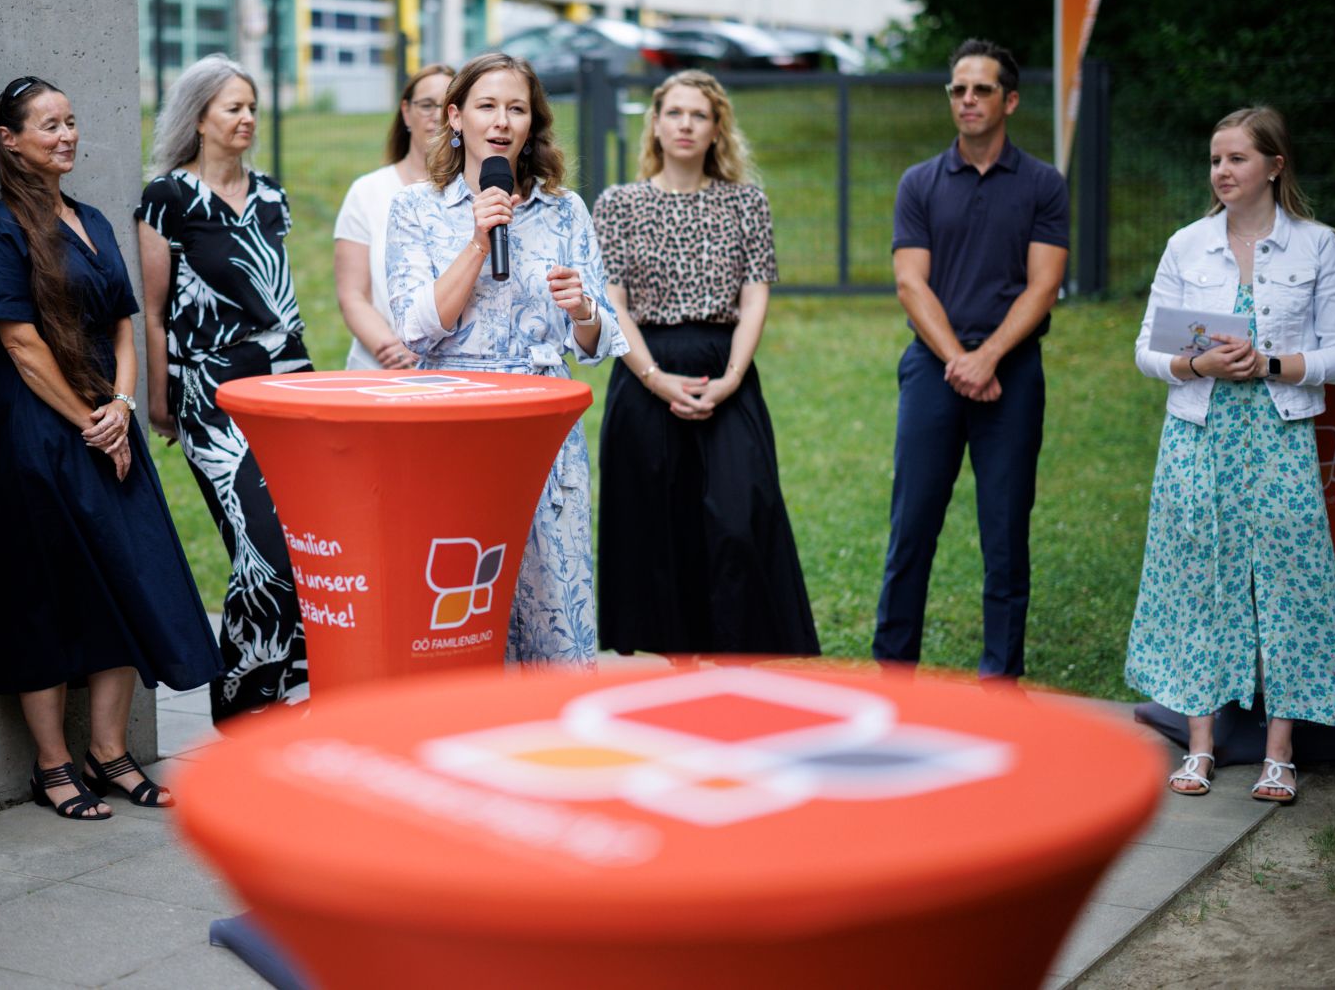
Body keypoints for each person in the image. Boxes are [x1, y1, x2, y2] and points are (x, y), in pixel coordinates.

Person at [0, 76, 220, 820]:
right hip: (36, 429)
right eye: (49, 124)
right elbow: (19, 343)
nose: (67, 135)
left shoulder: (97, 219)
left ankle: (109, 752)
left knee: (126, 579)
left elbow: (122, 325)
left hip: (110, 419)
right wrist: (88, 416)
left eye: (72, 121)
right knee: (40, 593)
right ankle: (53, 764)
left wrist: (124, 406)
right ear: (10, 140)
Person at [1126, 106, 1335, 803]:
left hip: (1280, 433)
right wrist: (1195, 366)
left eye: (1236, 159)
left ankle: (1279, 753)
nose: (1222, 172)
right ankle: (1201, 745)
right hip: (1200, 434)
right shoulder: (1186, 244)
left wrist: (1269, 364)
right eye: (1215, 160)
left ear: (1274, 166)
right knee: (1197, 571)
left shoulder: (1318, 247)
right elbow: (1147, 349)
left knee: (1288, 579)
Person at [387, 52, 627, 664]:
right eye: (487, 106)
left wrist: (582, 312)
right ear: (456, 116)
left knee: (553, 610)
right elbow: (415, 330)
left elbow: (598, 343)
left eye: (516, 108)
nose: (501, 121)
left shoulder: (564, 209)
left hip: (544, 429)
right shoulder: (416, 208)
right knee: (462, 605)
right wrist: (476, 240)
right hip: (454, 429)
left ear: (531, 123)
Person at [592, 71, 819, 656]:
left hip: (727, 369)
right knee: (658, 526)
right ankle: (680, 665)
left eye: (699, 115)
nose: (686, 124)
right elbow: (612, 301)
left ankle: (735, 654)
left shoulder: (746, 202)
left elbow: (755, 296)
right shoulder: (618, 205)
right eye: (674, 113)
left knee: (739, 517)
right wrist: (654, 377)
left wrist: (732, 380)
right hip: (644, 372)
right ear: (656, 125)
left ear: (718, 128)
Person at [874, 38, 1069, 680]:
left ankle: (1000, 683)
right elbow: (910, 283)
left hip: (1012, 372)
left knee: (1006, 536)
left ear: (1009, 99)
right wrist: (962, 359)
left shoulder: (1043, 184)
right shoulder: (920, 183)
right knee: (912, 530)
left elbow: (1043, 286)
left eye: (981, 89)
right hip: (934, 369)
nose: (967, 100)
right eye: (958, 89)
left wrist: (989, 359)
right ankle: (895, 675)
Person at [136, 55, 313, 718]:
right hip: (209, 390)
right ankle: (241, 701)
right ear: (198, 116)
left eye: (252, 107)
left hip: (287, 382)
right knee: (261, 543)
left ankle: (282, 691)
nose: (246, 119)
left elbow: (282, 296)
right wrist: (160, 399)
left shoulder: (271, 195)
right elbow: (153, 311)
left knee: (298, 540)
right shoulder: (167, 198)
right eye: (232, 107)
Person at [335, 63, 453, 369]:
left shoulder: (475, 193)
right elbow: (352, 295)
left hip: (456, 368)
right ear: (406, 112)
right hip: (382, 367)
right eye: (427, 105)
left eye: (447, 105)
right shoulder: (367, 192)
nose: (436, 115)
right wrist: (392, 348)